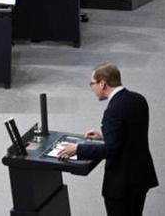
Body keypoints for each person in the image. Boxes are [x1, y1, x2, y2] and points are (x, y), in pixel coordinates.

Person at [56, 64, 158, 216]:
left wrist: (78, 149)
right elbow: (132, 133)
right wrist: (104, 136)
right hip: (141, 175)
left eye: (92, 84)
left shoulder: (113, 111)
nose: (92, 88)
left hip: (122, 184)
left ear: (102, 83)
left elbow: (111, 149)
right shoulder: (138, 99)